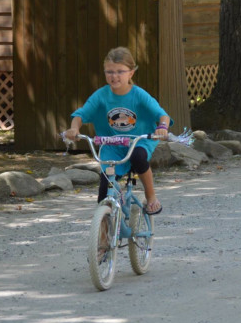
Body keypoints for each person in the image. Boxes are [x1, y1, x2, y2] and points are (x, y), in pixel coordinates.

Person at [63, 47, 170, 215]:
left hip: (139, 140)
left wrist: (162, 128)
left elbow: (161, 115)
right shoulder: (101, 96)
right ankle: (103, 233)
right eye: (109, 72)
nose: (114, 76)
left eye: (120, 71)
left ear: (131, 73)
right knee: (104, 188)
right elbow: (81, 114)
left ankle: (151, 197)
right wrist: (74, 128)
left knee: (138, 157)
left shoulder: (139, 95)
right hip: (112, 144)